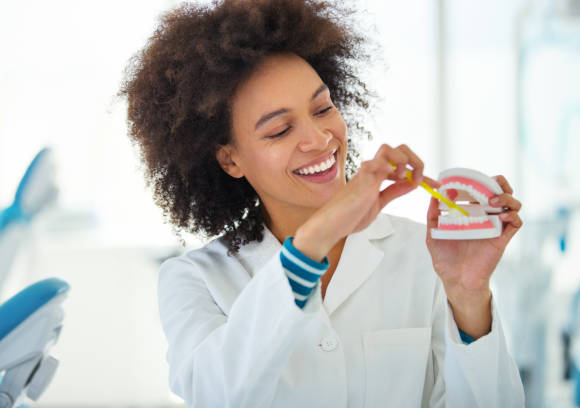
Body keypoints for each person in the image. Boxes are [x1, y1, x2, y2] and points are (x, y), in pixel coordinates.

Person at [120, 0, 525, 406]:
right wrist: (316, 237)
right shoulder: (195, 279)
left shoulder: (428, 255)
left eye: (323, 108)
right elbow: (217, 394)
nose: (319, 139)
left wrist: (469, 295)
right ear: (231, 159)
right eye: (279, 130)